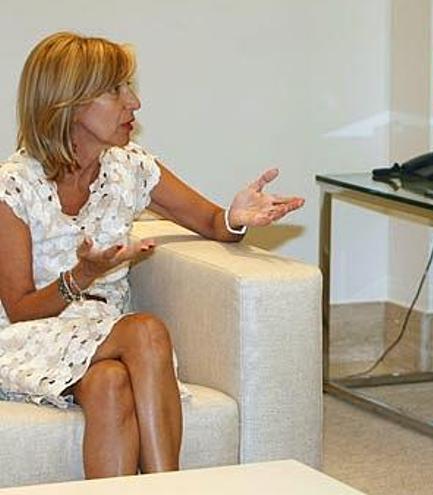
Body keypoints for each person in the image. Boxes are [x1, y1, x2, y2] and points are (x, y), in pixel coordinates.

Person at [0, 32, 304, 479]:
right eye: (116, 90)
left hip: (103, 336)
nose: (135, 103)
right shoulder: (13, 186)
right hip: (29, 339)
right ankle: (171, 487)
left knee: (110, 383)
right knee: (145, 332)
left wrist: (237, 217)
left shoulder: (131, 167)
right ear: (69, 104)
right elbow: (22, 310)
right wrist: (83, 275)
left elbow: (212, 222)